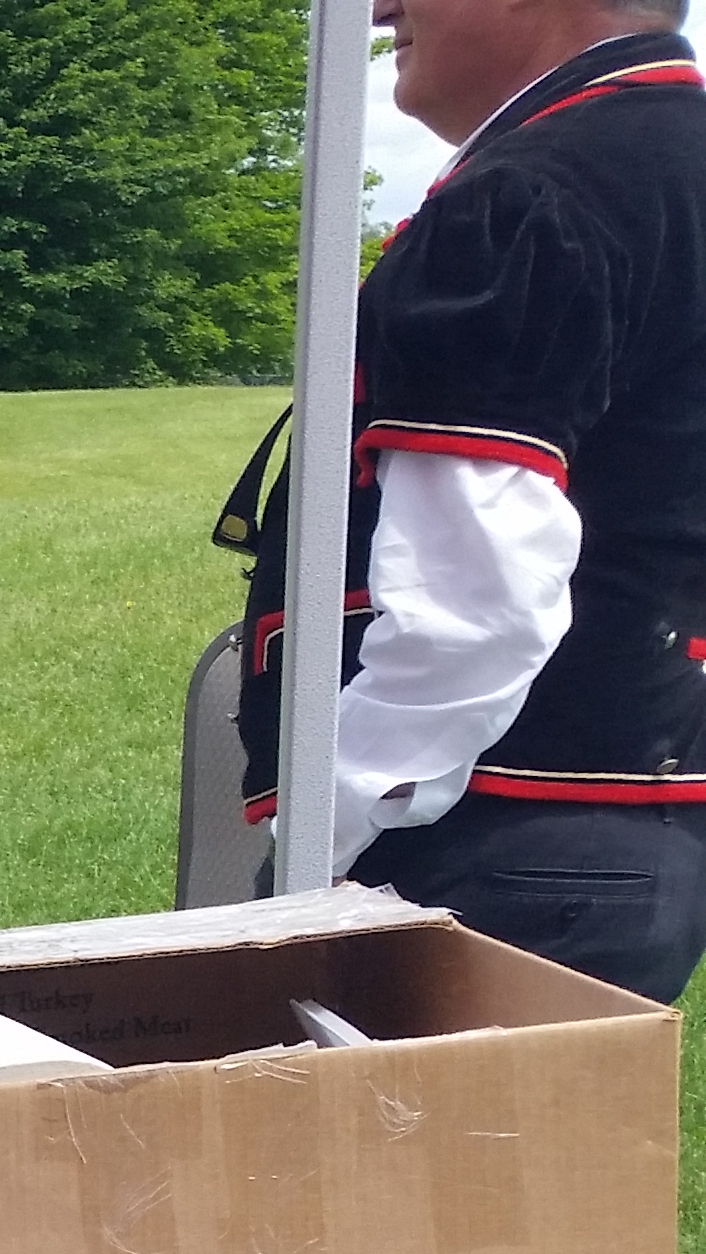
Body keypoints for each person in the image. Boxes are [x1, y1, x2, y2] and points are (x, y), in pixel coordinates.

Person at [235, 0, 706, 999]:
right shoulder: (667, 163)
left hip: (489, 847)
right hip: (637, 830)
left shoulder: (533, 194)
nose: (378, 8)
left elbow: (472, 608)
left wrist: (323, 832)